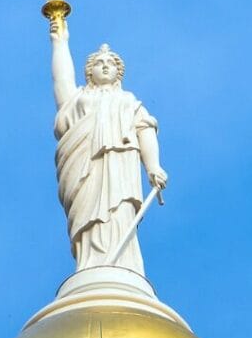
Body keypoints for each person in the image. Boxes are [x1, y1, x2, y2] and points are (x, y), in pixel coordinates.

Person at [50, 16, 167, 275]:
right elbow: (62, 81)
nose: (105, 66)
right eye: (99, 63)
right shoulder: (78, 99)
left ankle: (123, 265)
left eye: (110, 63)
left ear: (118, 72)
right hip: (85, 167)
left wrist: (153, 167)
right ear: (89, 71)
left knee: (119, 215)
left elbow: (145, 129)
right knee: (88, 218)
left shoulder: (128, 101)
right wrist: (60, 42)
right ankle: (90, 265)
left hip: (120, 166)